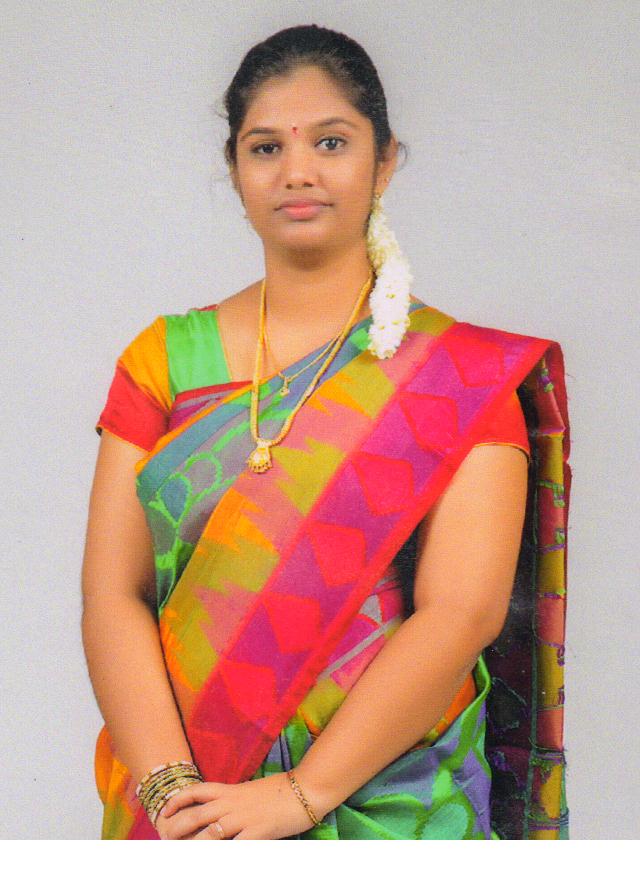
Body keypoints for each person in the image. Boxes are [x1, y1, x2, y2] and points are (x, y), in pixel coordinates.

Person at [81, 24, 571, 840]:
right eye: (265, 147)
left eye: (332, 142)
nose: (297, 171)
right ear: (235, 168)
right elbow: (112, 594)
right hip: (185, 803)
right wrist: (171, 793)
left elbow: (461, 613)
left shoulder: (456, 376)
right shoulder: (164, 360)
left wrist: (301, 795)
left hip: (395, 802)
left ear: (385, 162)